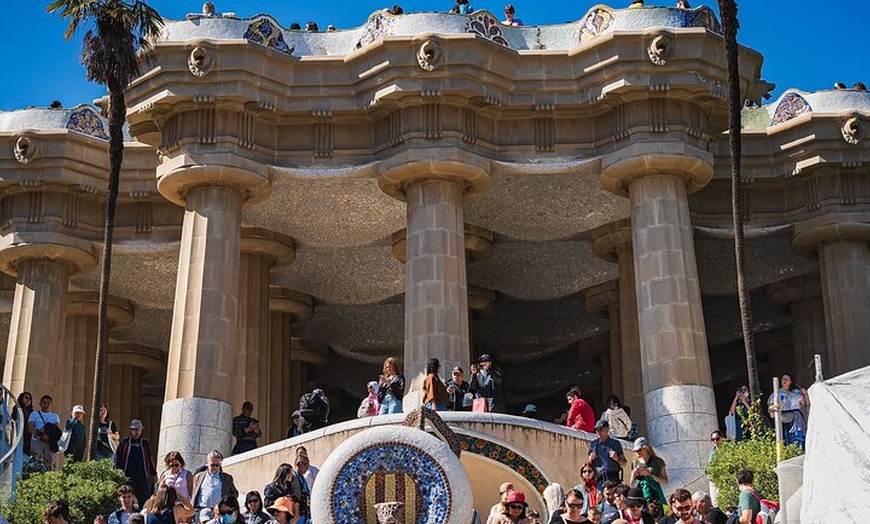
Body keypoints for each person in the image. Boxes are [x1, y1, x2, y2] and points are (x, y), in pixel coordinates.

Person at [115, 419, 158, 508]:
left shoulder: (145, 443)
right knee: (126, 499)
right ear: (131, 430)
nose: (137, 432)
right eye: (134, 429)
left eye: (139, 429)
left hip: (141, 477)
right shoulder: (125, 442)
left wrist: (153, 473)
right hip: (127, 476)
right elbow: (118, 458)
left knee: (144, 500)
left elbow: (149, 459)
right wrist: (117, 472)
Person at [767, 374, 808, 448]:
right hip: (782, 418)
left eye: (787, 379)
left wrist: (805, 394)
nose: (784, 380)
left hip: (795, 418)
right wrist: (773, 409)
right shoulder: (776, 394)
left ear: (790, 381)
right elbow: (770, 408)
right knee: (784, 439)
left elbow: (805, 404)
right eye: (783, 379)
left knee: (796, 438)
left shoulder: (795, 394)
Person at [629, 437, 668, 507]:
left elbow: (665, 481)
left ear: (646, 448)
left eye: (639, 450)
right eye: (636, 451)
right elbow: (631, 484)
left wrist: (650, 475)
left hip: (656, 495)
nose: (637, 452)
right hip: (642, 495)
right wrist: (633, 475)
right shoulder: (635, 462)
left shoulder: (657, 461)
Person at [588, 420, 626, 487]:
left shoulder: (615, 444)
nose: (598, 432)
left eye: (601, 430)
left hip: (613, 477)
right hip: (600, 478)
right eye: (597, 430)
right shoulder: (593, 444)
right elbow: (589, 464)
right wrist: (590, 459)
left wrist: (617, 458)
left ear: (607, 429)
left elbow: (624, 463)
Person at [28, 394, 61, 469]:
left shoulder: (55, 416)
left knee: (49, 462)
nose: (46, 405)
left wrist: (47, 437)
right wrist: (41, 436)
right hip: (36, 440)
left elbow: (56, 429)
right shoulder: (34, 414)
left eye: (48, 403)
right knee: (35, 460)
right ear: (40, 403)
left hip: (49, 441)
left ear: (51, 404)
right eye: (44, 403)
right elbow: (30, 427)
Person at [13, 391, 34, 456]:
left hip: (28, 438)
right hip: (19, 434)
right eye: (26, 398)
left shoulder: (31, 412)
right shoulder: (17, 408)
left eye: (30, 398)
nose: (28, 400)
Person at [706, 431, 722, 505]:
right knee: (714, 502)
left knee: (720, 501)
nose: (715, 441)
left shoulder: (725, 451)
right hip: (712, 480)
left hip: (721, 480)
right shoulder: (712, 452)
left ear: (721, 439)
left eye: (717, 438)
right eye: (713, 439)